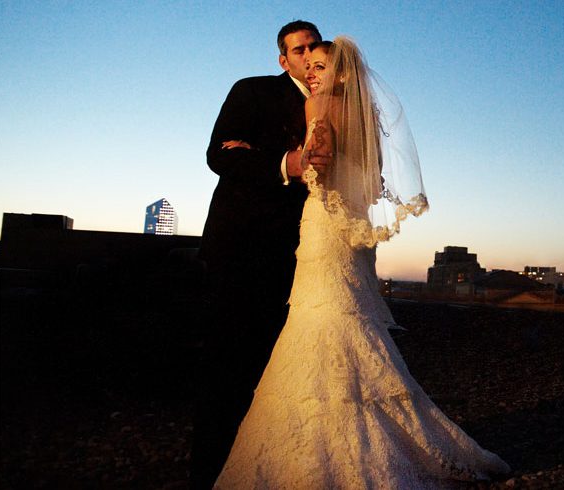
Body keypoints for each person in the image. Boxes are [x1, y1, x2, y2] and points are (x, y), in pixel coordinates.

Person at [214, 37, 510, 488]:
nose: (312, 73)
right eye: (308, 64)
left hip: (324, 227)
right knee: (348, 319)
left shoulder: (318, 107)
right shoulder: (366, 115)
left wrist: (268, 155)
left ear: (342, 73)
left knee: (322, 323)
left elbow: (317, 165)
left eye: (319, 66)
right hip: (352, 229)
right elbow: (370, 185)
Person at [192, 20, 330, 489]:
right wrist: (286, 161)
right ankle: (212, 473)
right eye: (299, 49)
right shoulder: (251, 91)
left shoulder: (344, 105)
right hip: (243, 249)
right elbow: (220, 155)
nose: (308, 56)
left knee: (287, 368)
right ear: (283, 59)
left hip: (307, 255)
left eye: (315, 47)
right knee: (228, 367)